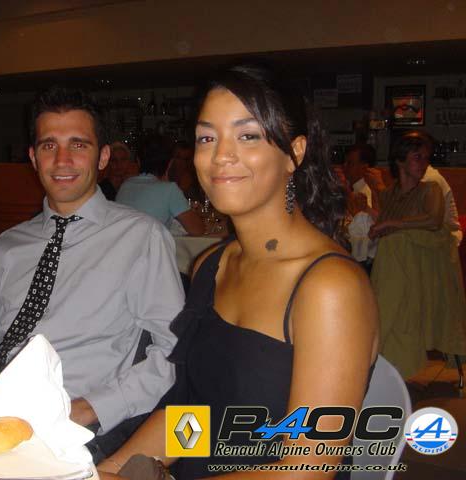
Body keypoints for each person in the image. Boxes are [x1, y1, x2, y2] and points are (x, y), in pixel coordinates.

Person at [98, 65, 379, 479]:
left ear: (295, 153)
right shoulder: (212, 264)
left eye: (247, 136)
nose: (220, 156)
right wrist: (109, 470)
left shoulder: (329, 287)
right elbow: (195, 414)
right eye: (206, 138)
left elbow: (306, 469)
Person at [0, 87, 184, 461]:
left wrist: (90, 407)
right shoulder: (9, 244)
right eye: (48, 146)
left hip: (66, 424)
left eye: (78, 145)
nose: (62, 160)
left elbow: (174, 351)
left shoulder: (141, 238)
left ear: (103, 157)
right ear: (33, 158)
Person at [370, 132, 466, 379]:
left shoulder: (430, 189)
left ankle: (377, 341)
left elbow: (434, 221)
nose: (424, 163)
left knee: (393, 246)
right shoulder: (389, 194)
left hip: (428, 267)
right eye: (417, 158)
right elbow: (382, 228)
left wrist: (393, 224)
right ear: (400, 160)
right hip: (402, 266)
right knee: (386, 249)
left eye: (426, 158)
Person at [116, 134, 205, 235]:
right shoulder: (169, 189)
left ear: (138, 161)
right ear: (169, 163)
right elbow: (198, 230)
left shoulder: (125, 186)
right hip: (150, 245)